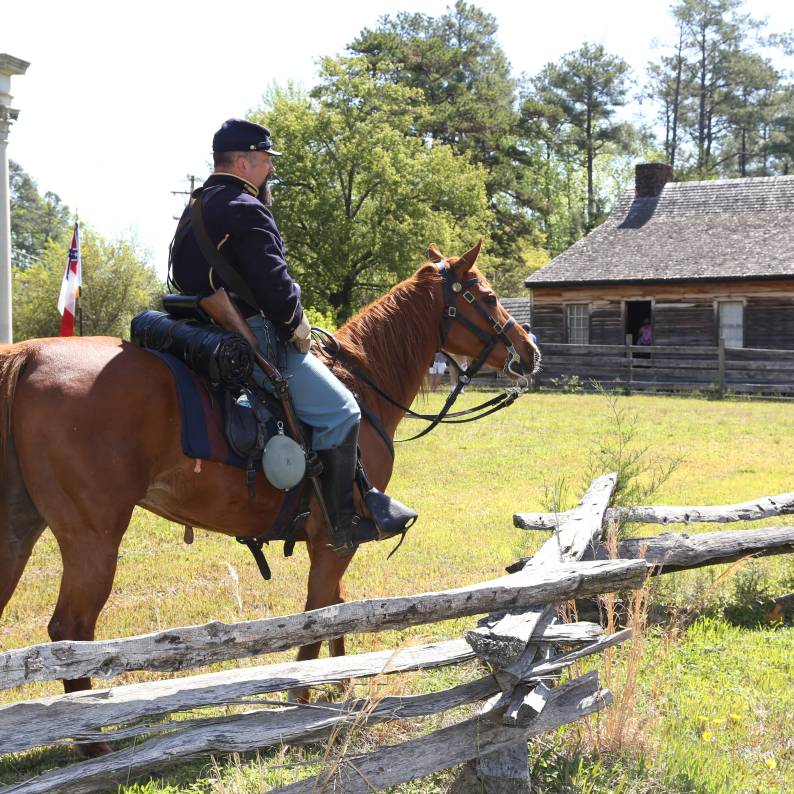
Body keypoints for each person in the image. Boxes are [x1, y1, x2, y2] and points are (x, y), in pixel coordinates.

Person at [169, 118, 404, 554]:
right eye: (264, 162)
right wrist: (296, 324)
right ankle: (342, 522)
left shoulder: (197, 204)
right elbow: (275, 287)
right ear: (242, 163)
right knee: (341, 411)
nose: (270, 171)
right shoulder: (246, 207)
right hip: (249, 332)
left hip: (198, 327)